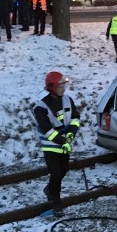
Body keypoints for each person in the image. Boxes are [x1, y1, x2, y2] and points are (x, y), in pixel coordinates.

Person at [33, 71, 81, 207]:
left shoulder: (67, 100)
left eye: (64, 86)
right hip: (50, 146)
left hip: (64, 143)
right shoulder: (40, 107)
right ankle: (56, 201)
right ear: (52, 87)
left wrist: (71, 134)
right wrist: (63, 141)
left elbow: (75, 118)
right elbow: (47, 130)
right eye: (60, 86)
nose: (63, 88)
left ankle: (49, 189)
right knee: (56, 174)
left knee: (63, 170)